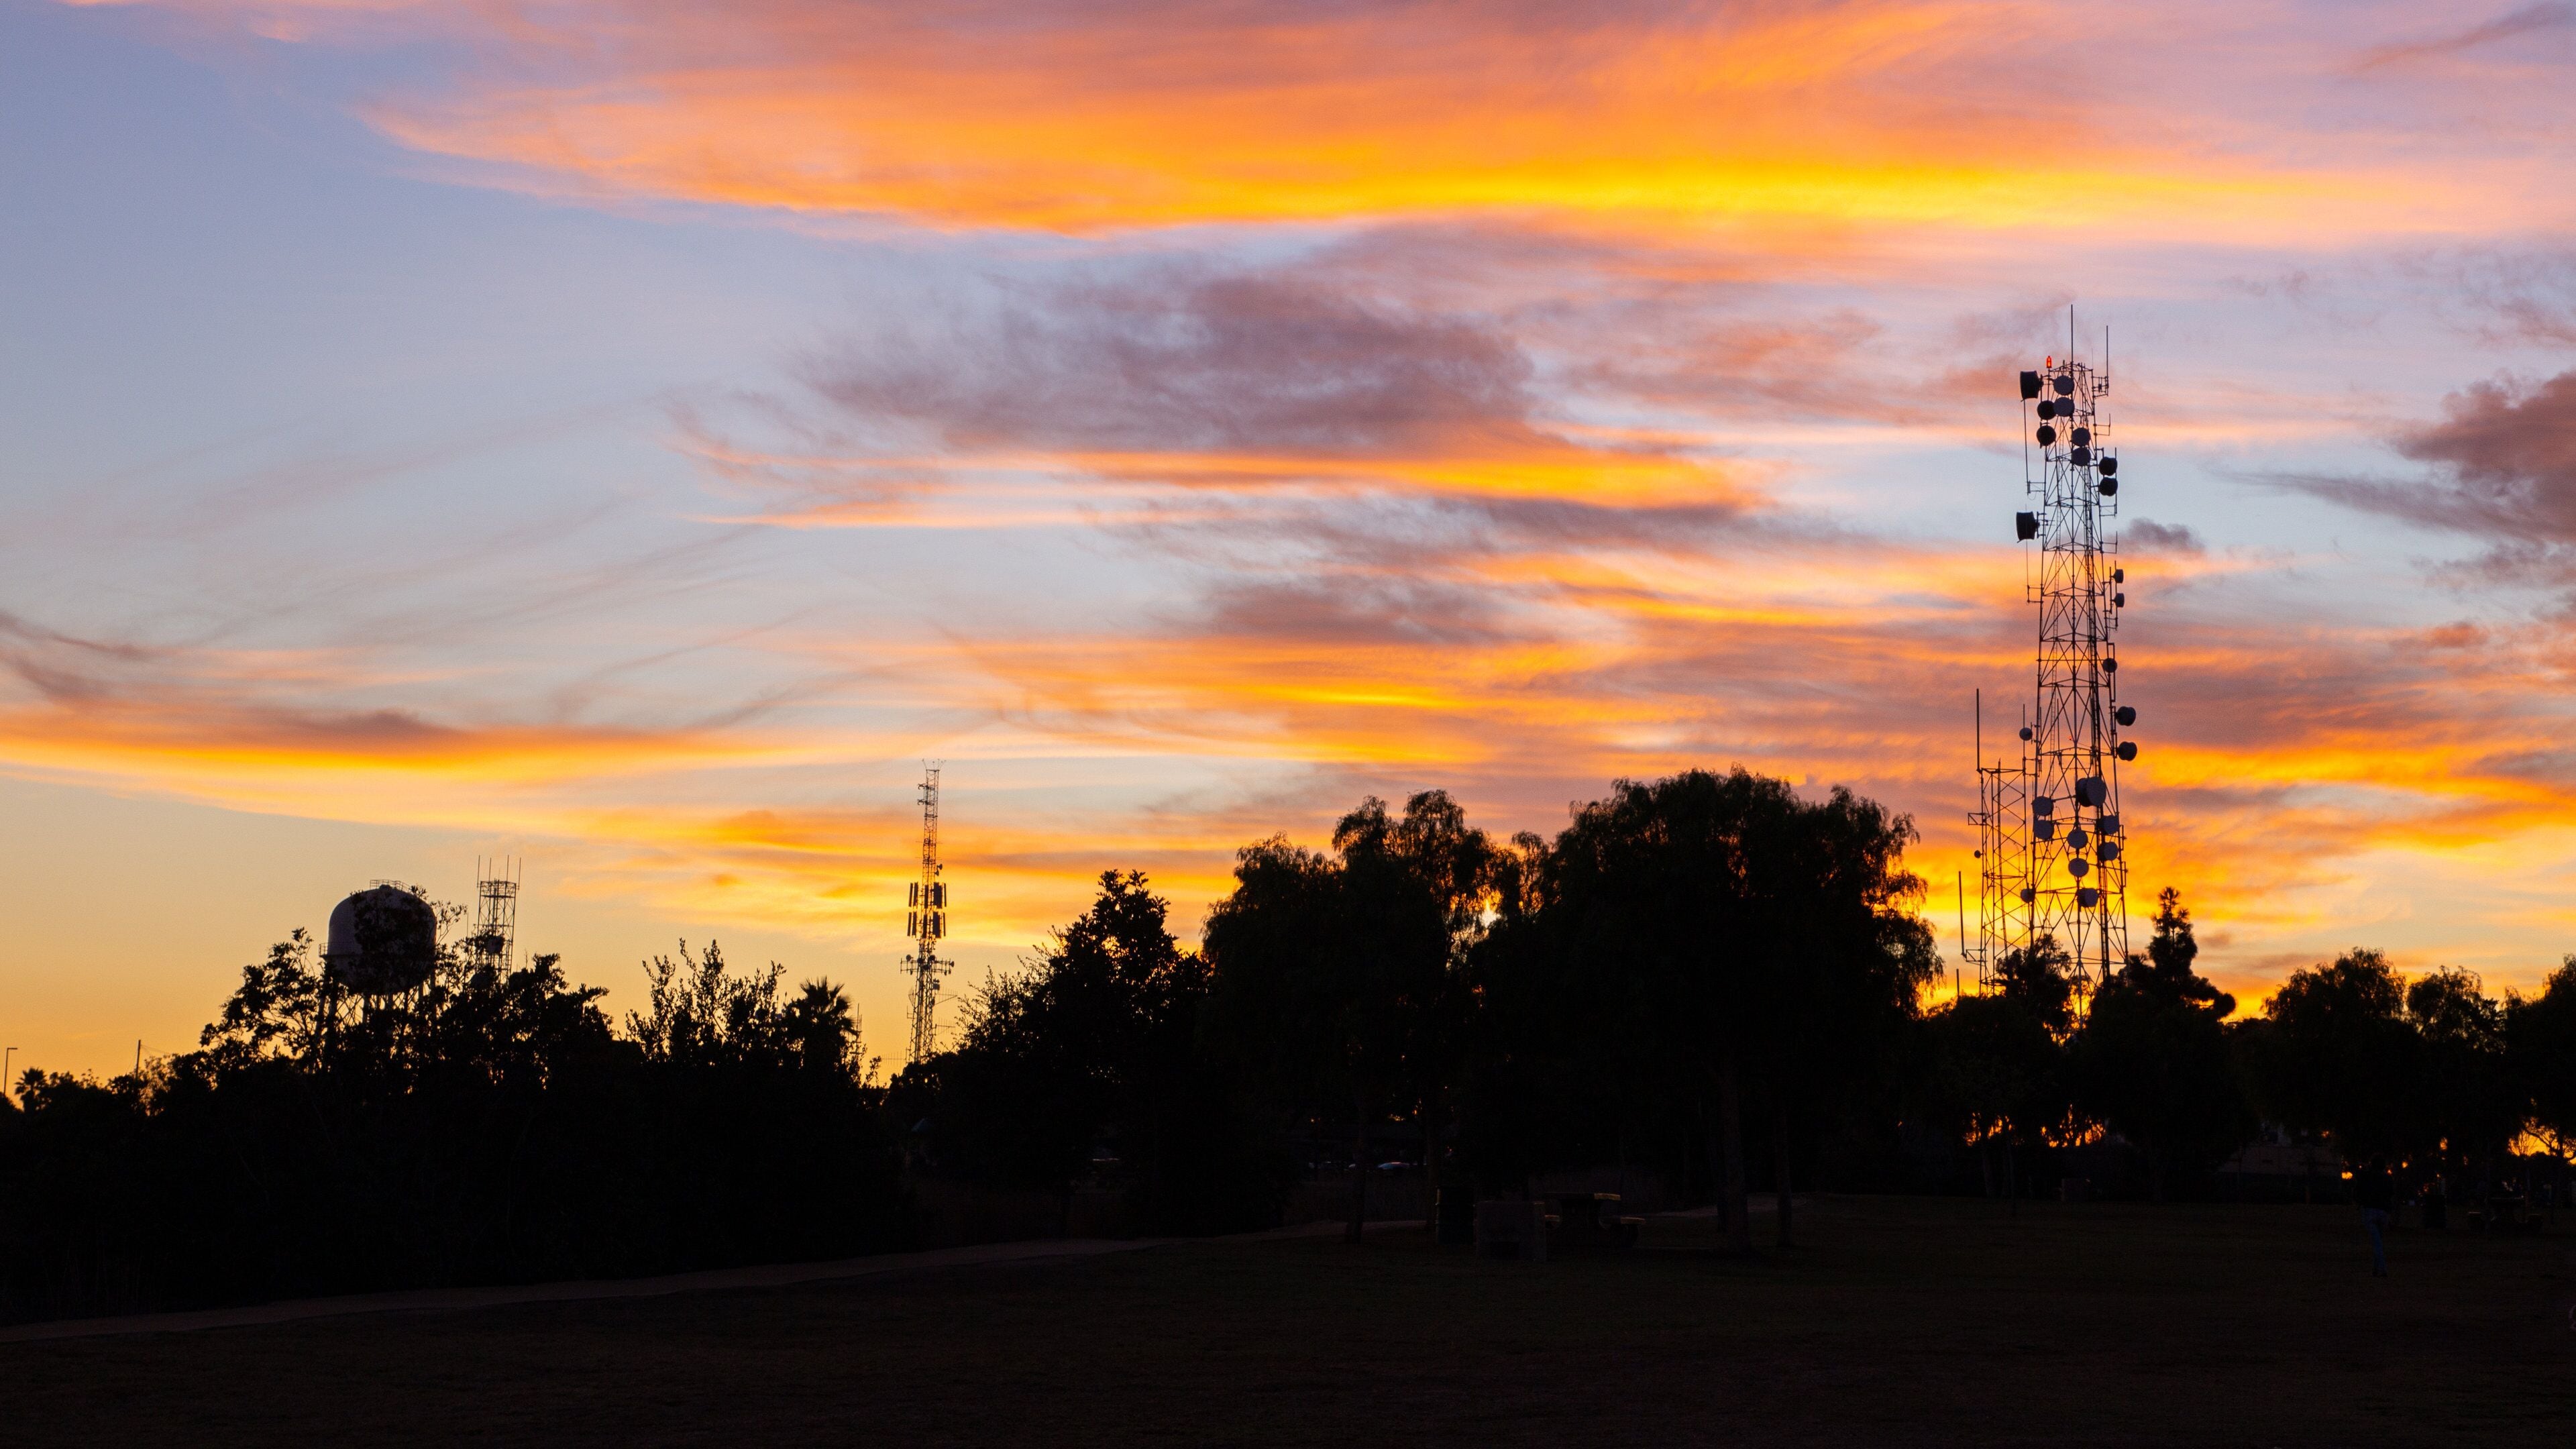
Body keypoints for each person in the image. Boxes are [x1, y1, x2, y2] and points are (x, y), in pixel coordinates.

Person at [2355, 1155, 2395, 1277]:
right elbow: (2391, 1194)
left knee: (2377, 1242)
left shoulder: (2367, 1177)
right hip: (2384, 1212)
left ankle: (2382, 1269)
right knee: (2379, 1241)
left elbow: (2358, 1188)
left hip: (2370, 1210)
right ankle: (2376, 1268)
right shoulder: (2388, 1178)